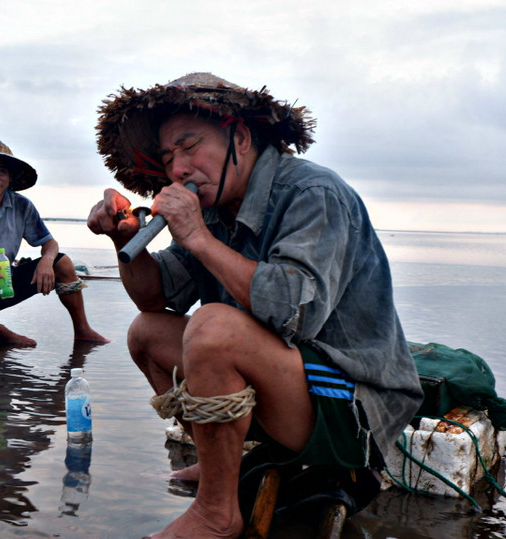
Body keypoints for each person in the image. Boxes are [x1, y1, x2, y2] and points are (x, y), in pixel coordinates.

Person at [87, 73, 423, 538]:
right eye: (169, 158)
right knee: (147, 333)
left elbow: (294, 314)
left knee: (214, 327)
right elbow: (155, 295)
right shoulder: (214, 209)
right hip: (291, 387)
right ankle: (217, 465)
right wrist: (127, 243)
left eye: (190, 147)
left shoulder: (313, 194)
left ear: (240, 138)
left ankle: (216, 513)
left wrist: (198, 238)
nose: (179, 169)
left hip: (354, 407)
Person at [0, 139, 109, 346]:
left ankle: (83, 330)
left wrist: (47, 261)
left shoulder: (22, 206)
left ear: (10, 177)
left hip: (6, 283)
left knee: (63, 262)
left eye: (1, 171)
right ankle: (0, 331)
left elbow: (50, 243)